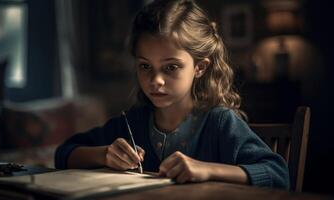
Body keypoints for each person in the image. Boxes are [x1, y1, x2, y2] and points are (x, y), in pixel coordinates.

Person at [55, 0, 290, 189]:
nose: (156, 80)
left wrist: (207, 169)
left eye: (171, 67)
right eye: (145, 66)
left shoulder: (219, 122)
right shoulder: (133, 122)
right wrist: (104, 155)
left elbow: (279, 174)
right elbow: (64, 153)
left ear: (200, 67)